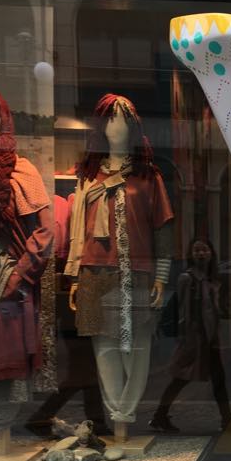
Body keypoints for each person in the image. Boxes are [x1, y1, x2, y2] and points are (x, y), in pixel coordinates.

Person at [64, 94, 174, 438]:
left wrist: (161, 277)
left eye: (124, 119)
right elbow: (78, 229)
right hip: (95, 272)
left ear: (134, 126)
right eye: (111, 119)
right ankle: (117, 420)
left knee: (137, 350)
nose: (117, 126)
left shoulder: (147, 176)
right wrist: (75, 278)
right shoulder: (88, 176)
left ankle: (125, 416)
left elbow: (163, 229)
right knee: (106, 350)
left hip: (136, 274)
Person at [0, 90, 53, 434]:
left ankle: (1, 433)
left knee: (5, 358)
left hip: (7, 277)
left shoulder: (22, 170)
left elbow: (45, 232)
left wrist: (18, 277)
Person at [150, 237, 231, 432]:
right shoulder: (187, 278)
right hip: (195, 339)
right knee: (181, 378)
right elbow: (183, 312)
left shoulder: (212, 278)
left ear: (211, 253)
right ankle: (159, 416)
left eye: (204, 250)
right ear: (191, 254)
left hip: (209, 338)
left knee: (215, 379)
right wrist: (186, 338)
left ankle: (226, 419)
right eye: (197, 250)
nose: (201, 254)